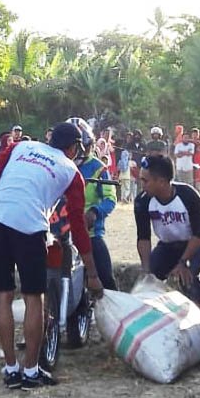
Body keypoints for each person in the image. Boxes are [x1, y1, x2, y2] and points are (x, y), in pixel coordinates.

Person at [0, 121, 104, 389]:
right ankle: (31, 370)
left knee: (3, 294)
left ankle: (11, 368)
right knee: (33, 298)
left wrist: (1, 204)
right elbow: (78, 225)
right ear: (73, 148)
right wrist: (92, 272)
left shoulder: (19, 146)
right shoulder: (71, 171)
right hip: (29, 225)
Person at [135, 155, 200, 308]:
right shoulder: (142, 201)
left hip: (196, 241)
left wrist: (182, 262)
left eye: (145, 181)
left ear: (161, 182)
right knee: (153, 274)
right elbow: (143, 238)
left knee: (189, 277)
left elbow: (198, 234)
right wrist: (146, 270)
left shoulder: (188, 195)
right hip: (168, 243)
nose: (141, 184)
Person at [67, 117, 118, 292]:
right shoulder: (58, 166)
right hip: (62, 235)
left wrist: (95, 212)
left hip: (90, 233)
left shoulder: (99, 168)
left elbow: (110, 199)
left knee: (106, 278)